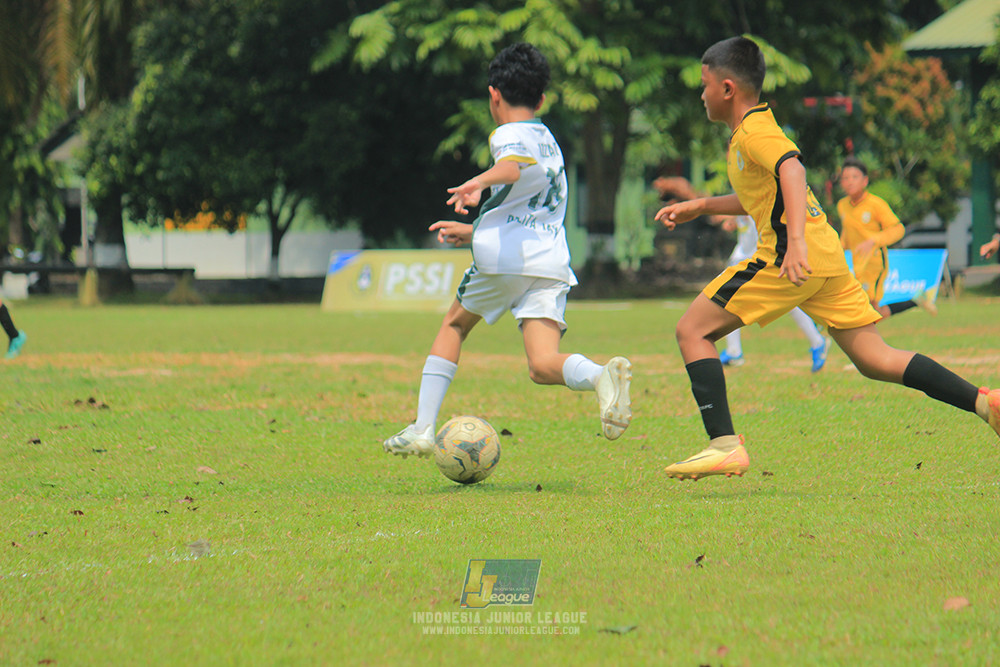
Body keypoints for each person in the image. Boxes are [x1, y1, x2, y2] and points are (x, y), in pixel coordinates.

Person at [653, 36, 999, 480]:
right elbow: (763, 195)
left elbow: (792, 169)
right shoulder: (752, 130)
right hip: (826, 257)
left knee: (691, 330)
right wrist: (700, 206)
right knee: (875, 358)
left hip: (788, 257)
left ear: (726, 88)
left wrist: (795, 241)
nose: (701, 95)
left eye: (704, 86)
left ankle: (723, 445)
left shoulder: (755, 132)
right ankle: (984, 403)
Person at [383, 43, 632, 458]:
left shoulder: (507, 134)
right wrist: (475, 230)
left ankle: (423, 427)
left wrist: (477, 182)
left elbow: (511, 169)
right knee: (542, 364)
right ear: (542, 100)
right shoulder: (548, 139)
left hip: (505, 261)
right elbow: (527, 205)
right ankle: (599, 376)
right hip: (549, 263)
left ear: (493, 94)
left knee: (454, 325)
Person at [717, 214, 831, 371]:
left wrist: (718, 211)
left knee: (786, 299)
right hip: (742, 257)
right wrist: (733, 220)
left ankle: (817, 340)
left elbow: (746, 209)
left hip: (761, 257)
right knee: (729, 296)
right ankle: (733, 351)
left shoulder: (757, 201)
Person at [837, 157, 937, 318]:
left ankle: (915, 301)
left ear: (865, 181)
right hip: (858, 263)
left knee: (868, 311)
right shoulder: (842, 205)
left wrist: (873, 240)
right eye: (845, 178)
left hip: (875, 263)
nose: (850, 182)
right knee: (871, 313)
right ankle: (916, 300)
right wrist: (837, 248)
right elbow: (847, 234)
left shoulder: (876, 204)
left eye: (854, 177)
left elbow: (898, 229)